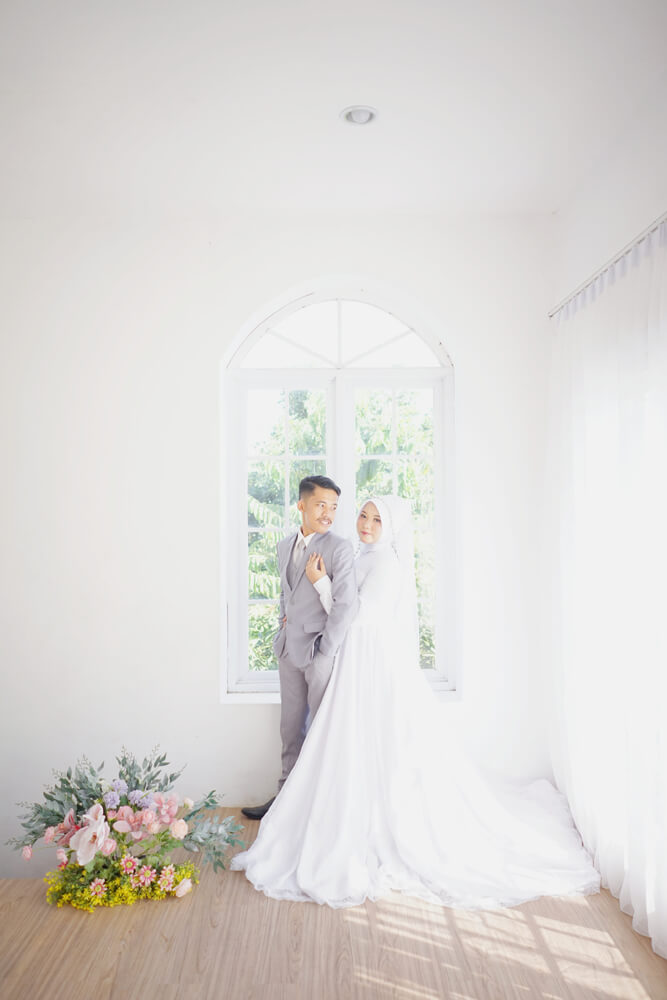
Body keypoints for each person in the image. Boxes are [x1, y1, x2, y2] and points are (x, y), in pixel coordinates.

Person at [232, 495, 600, 909]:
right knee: (347, 739)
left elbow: (357, 616)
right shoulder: (361, 556)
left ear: (391, 528)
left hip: (372, 660)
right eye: (363, 515)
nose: (366, 524)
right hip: (356, 657)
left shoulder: (387, 565)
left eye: (377, 519)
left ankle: (373, 819)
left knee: (378, 739)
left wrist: (321, 583)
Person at [241, 476, 359, 820]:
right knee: (290, 729)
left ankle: (321, 805)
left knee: (323, 730)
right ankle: (284, 802)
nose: (328, 514)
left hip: (319, 653)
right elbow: (286, 593)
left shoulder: (339, 548)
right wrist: (283, 624)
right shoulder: (283, 546)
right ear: (301, 505)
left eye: (333, 507)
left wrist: (327, 650)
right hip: (288, 651)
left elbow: (346, 604)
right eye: (321, 505)